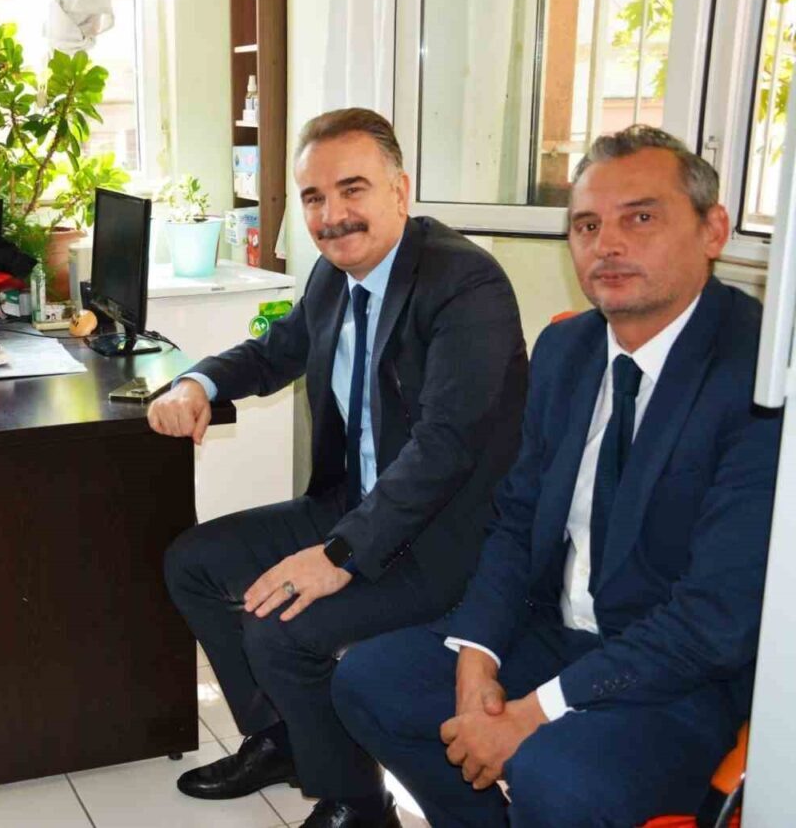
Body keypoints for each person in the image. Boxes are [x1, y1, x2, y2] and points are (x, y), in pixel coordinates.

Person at [331, 125, 781, 827]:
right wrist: (477, 655)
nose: (608, 244)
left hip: (680, 676)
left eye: (641, 217)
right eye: (587, 225)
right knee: (368, 680)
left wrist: (535, 712)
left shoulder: (758, 376)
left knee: (552, 774)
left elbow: (714, 619)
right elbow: (517, 517)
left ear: (713, 229)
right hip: (554, 629)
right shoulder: (567, 347)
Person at [148, 108, 528, 828]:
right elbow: (274, 352)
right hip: (353, 506)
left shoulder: (464, 284)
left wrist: (337, 556)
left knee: (279, 630)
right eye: (314, 198)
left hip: (444, 539)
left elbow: (444, 447)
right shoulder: (332, 275)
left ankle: (359, 803)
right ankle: (285, 738)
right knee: (194, 563)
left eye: (352, 189)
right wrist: (198, 382)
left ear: (400, 191)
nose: (332, 216)